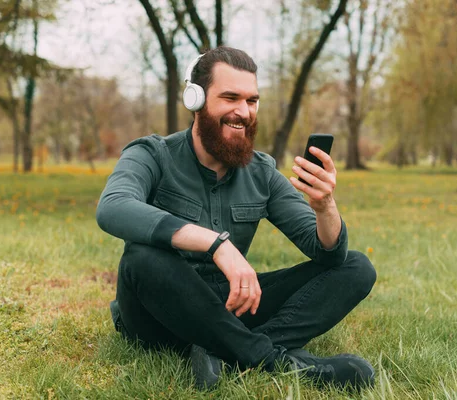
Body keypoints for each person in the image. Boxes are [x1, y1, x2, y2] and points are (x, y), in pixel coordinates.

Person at [96, 46, 377, 391]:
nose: (243, 112)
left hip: (231, 305)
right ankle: (272, 359)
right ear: (195, 99)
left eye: (252, 101)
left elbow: (328, 255)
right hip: (157, 315)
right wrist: (217, 245)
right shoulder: (151, 154)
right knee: (142, 258)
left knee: (355, 266)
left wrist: (325, 206)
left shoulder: (262, 172)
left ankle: (222, 351)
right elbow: (113, 206)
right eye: (230, 98)